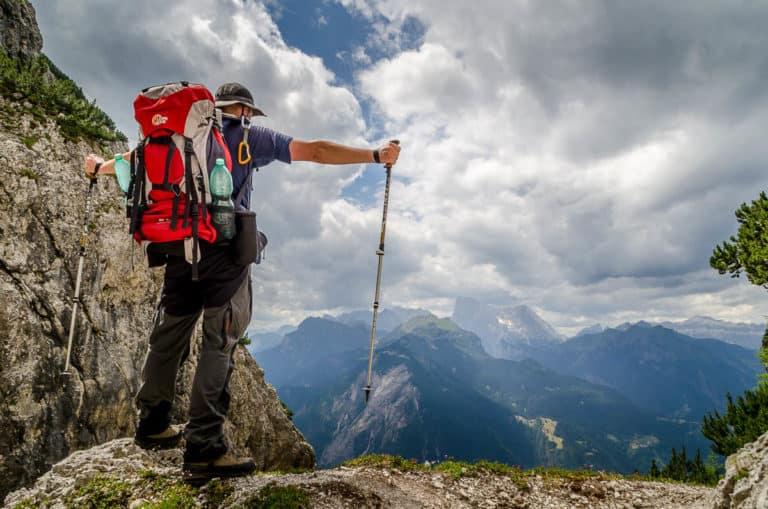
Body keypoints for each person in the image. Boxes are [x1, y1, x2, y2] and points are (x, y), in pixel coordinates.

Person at [84, 82, 400, 479]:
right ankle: (204, 447)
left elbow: (131, 160)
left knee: (169, 337)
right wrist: (374, 155)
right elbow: (315, 151)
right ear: (245, 111)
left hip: (178, 247)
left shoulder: (177, 136)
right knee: (219, 342)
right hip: (224, 252)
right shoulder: (250, 135)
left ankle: (152, 425)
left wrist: (98, 166)